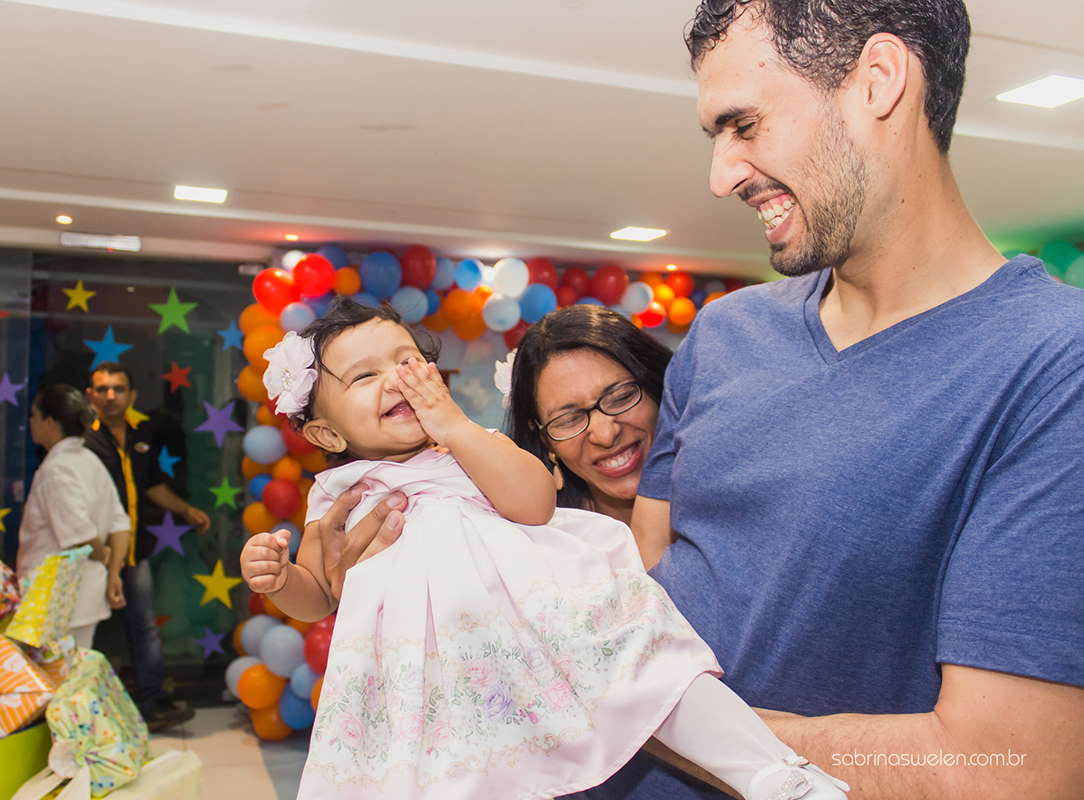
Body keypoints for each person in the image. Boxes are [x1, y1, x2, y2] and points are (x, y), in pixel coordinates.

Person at [596, 1, 1084, 798]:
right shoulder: (720, 334)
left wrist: (649, 714)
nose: (720, 176)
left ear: (879, 81)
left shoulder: (1056, 363)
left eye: (744, 124)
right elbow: (650, 574)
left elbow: (1013, 771)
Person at [241, 299, 849, 800]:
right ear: (325, 432)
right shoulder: (338, 499)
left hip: (533, 627)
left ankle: (773, 774)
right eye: (365, 375)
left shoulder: (463, 453)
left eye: (408, 362)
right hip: (428, 673)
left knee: (647, 662)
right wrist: (278, 580)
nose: (397, 378)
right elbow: (319, 597)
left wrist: (454, 425)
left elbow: (533, 502)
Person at [83, 362, 203, 731]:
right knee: (89, 632)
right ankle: (88, 713)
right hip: (92, 555)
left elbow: (152, 484)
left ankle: (150, 704)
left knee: (145, 628)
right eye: (103, 389)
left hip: (134, 551)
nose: (111, 396)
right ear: (91, 395)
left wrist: (186, 510)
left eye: (118, 389)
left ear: (131, 396)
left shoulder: (142, 432)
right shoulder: (83, 440)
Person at [506, 304, 672, 526]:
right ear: (546, 442)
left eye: (621, 397)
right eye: (570, 420)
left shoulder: (726, 516)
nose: (606, 435)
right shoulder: (542, 544)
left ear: (658, 390)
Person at [16, 384, 129, 651]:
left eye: (34, 415)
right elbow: (120, 521)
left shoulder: (57, 469)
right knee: (75, 678)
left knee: (51, 683)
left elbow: (81, 539)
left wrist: (104, 556)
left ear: (50, 422)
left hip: (56, 596)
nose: (30, 421)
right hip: (83, 595)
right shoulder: (89, 460)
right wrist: (113, 571)